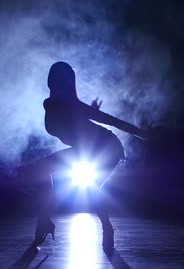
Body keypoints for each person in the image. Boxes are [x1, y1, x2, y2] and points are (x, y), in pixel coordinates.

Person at [26, 61, 148, 250]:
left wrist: (143, 134)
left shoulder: (72, 106)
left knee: (91, 191)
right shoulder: (52, 104)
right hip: (87, 149)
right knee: (42, 169)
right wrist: (91, 112)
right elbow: (76, 124)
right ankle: (44, 221)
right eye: (55, 77)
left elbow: (113, 121)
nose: (56, 81)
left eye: (61, 78)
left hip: (107, 148)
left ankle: (106, 229)